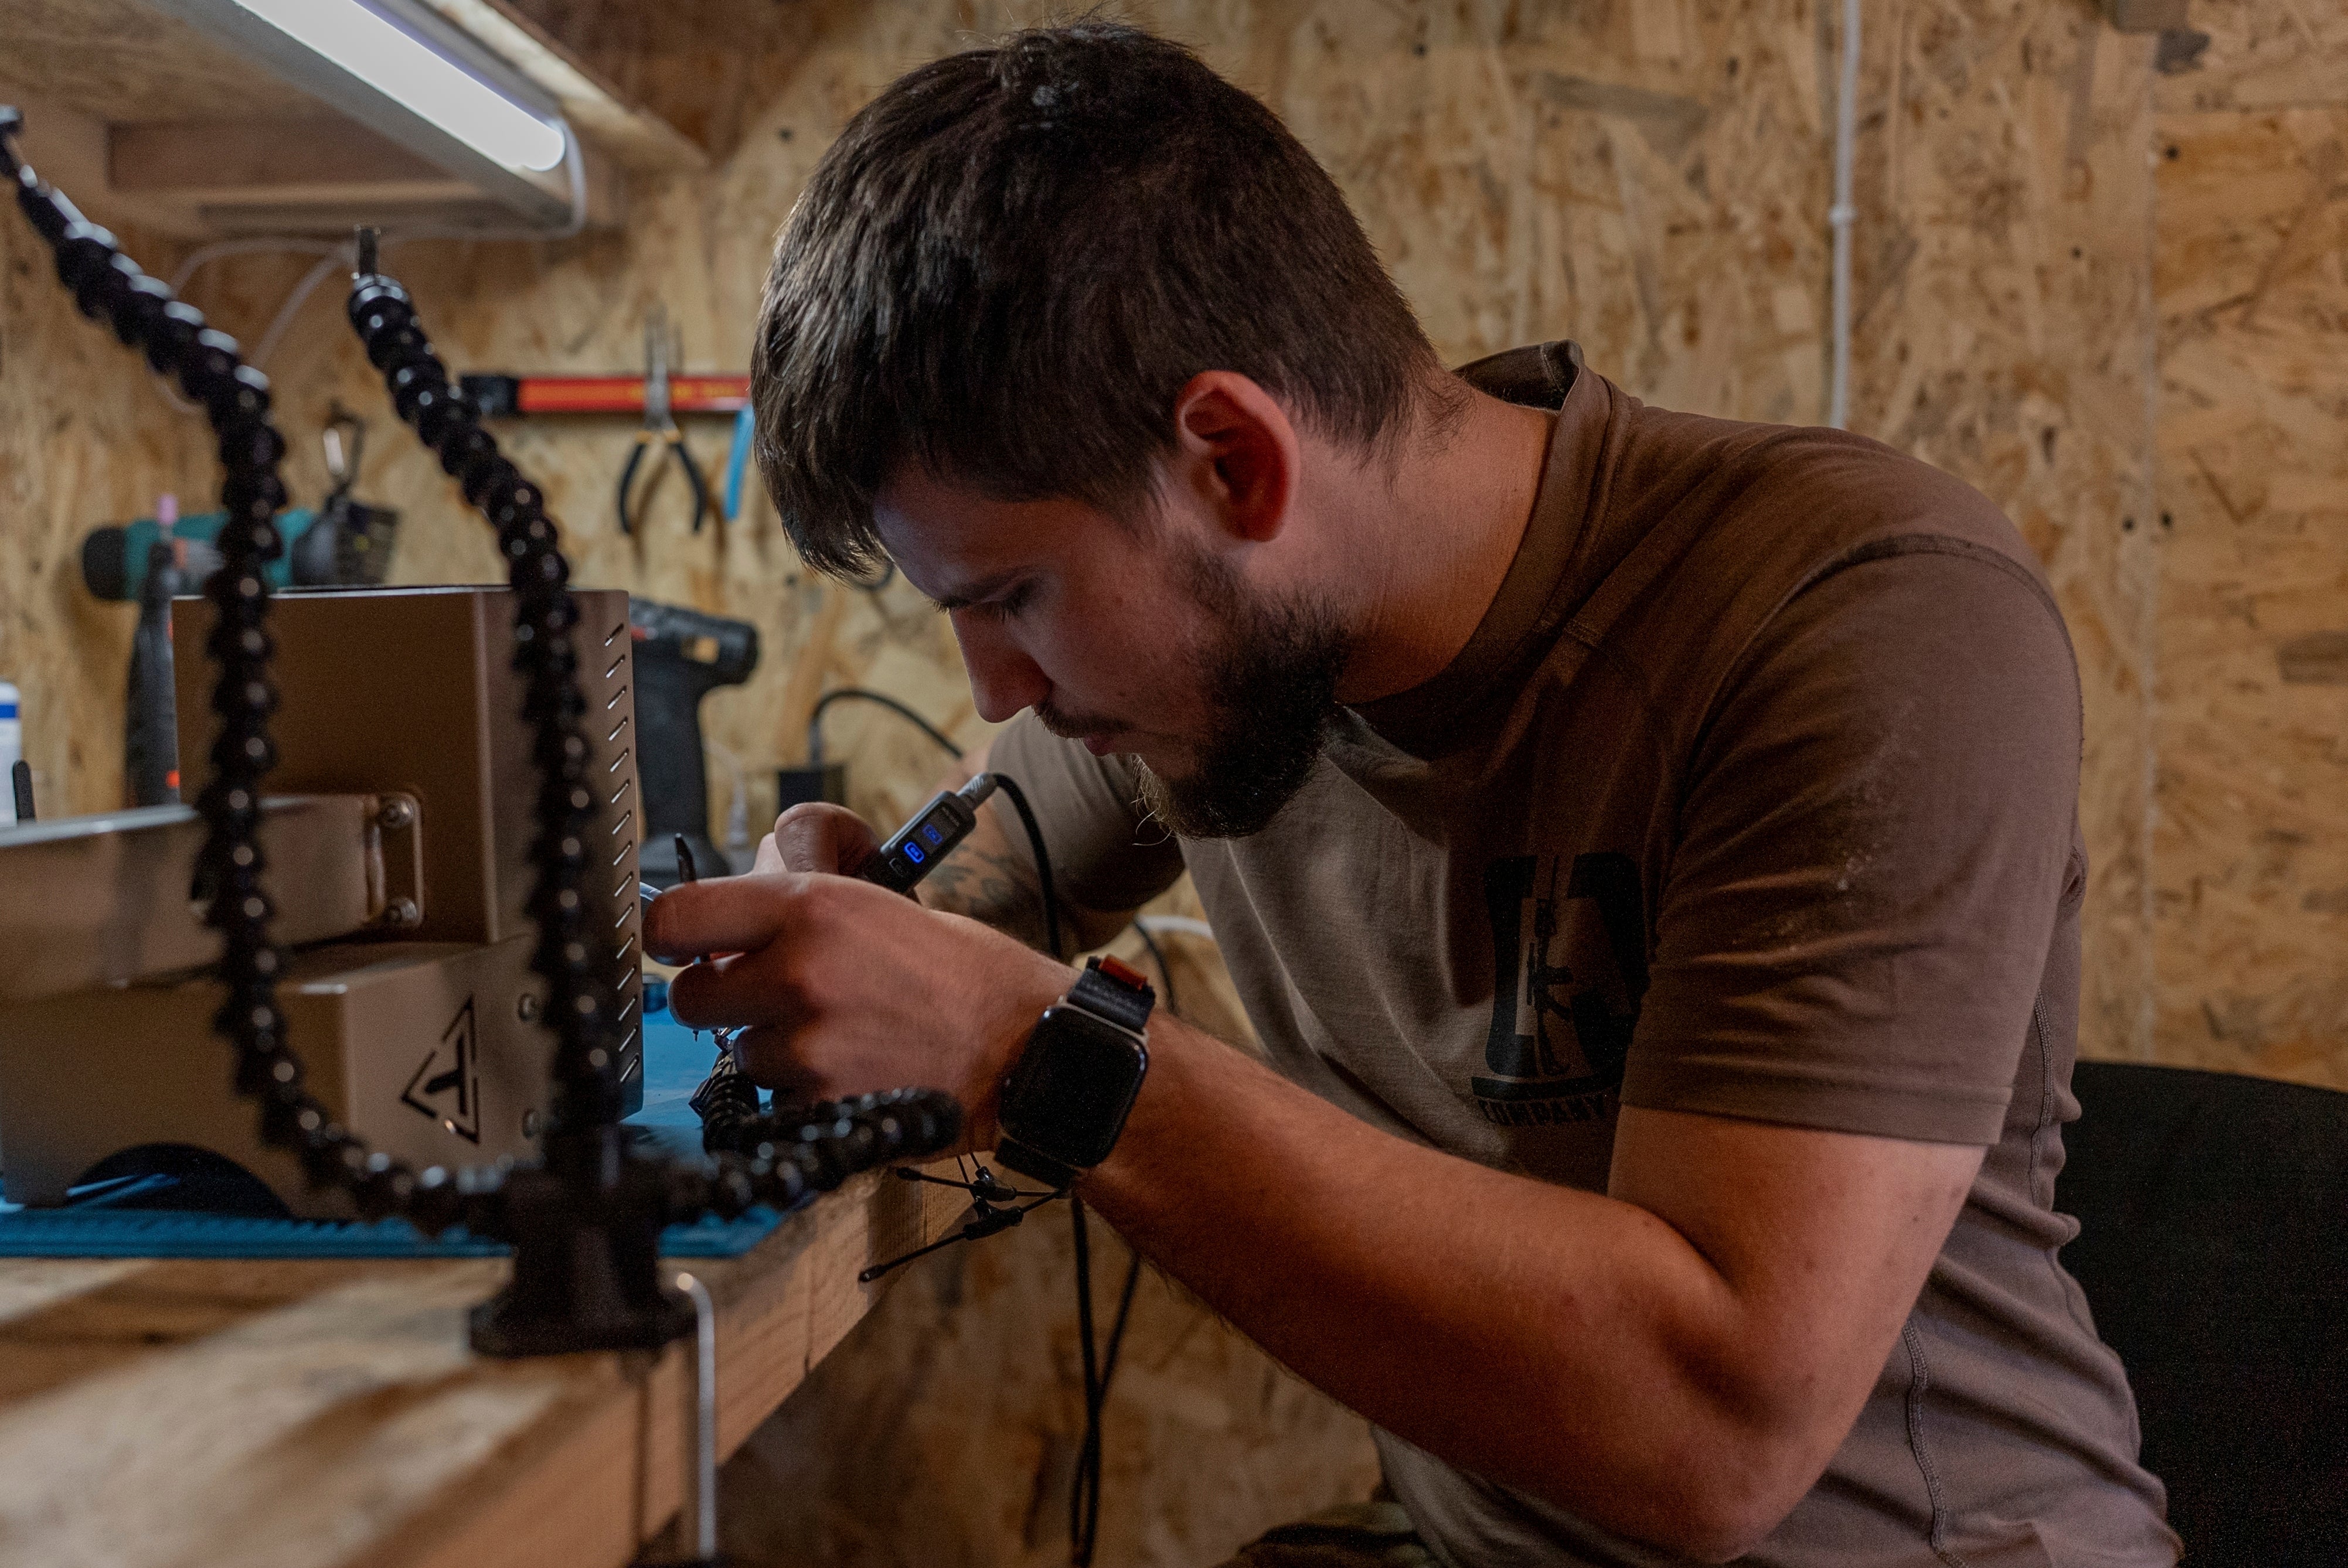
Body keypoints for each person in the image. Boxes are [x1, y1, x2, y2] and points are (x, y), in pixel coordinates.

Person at [645, 22, 2179, 1568]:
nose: (993, 691)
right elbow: (969, 898)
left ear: (1234, 461)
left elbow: (1716, 1435)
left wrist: (1034, 1055)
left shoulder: (1860, 614)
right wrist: (848, 932)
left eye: (1016, 596)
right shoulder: (1210, 667)